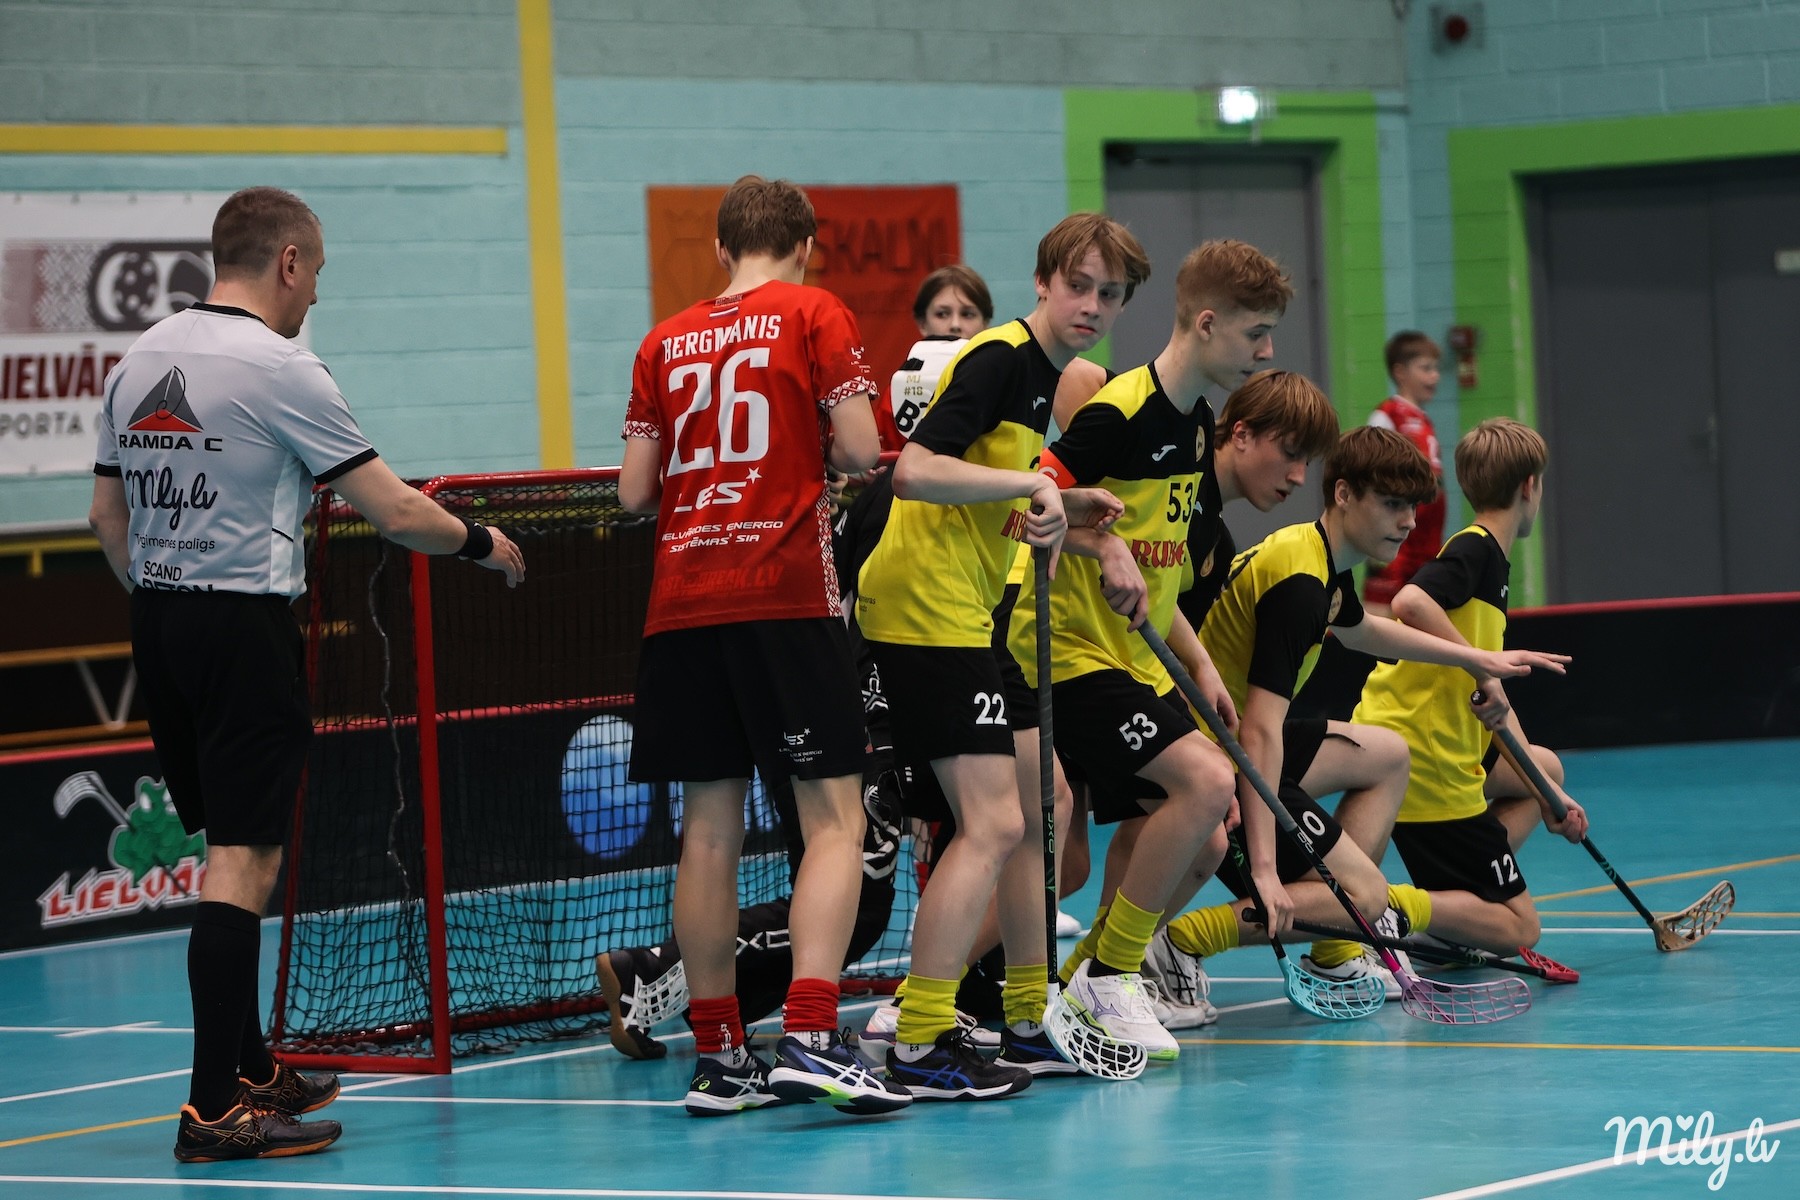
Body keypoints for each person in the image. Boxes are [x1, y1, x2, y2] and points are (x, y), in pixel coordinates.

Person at [87, 186, 525, 1162]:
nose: (316, 293)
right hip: (242, 629)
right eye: (317, 272)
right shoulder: (282, 367)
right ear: (287, 262)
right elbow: (395, 510)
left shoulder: (137, 358)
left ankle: (249, 1067)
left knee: (231, 851)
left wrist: (168, 603)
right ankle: (213, 1110)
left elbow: (106, 522)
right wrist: (481, 543)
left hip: (158, 621)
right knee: (243, 862)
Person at [618, 176, 910, 1119]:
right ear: (807, 245)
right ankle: (813, 1037)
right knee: (834, 823)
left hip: (681, 605)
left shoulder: (663, 339)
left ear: (720, 249)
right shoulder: (815, 312)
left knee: (708, 833)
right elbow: (861, 449)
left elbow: (633, 492)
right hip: (783, 595)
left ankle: (719, 1059)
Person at [856, 212, 1143, 1098]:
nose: (1092, 305)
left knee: (1039, 805)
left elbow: (980, 497)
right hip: (926, 611)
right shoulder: (999, 359)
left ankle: (1025, 1019)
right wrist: (1031, 482)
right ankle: (918, 1038)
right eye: (1079, 285)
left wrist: (1066, 505)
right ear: (1044, 283)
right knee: (993, 825)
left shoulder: (1043, 376)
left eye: (1110, 294)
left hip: (969, 610)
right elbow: (915, 471)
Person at [1144, 428, 1568, 996]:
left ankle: (1337, 951)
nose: (1409, 522)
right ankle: (1183, 941)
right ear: (1343, 494)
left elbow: (1367, 631)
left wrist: (1476, 659)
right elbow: (1262, 733)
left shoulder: (1318, 558)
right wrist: (1264, 869)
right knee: (1365, 894)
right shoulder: (1300, 586)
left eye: (1413, 508)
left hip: (1227, 735)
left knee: (1389, 754)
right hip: (1217, 750)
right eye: (1392, 505)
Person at [1005, 240, 1299, 1059]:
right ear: (1207, 324)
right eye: (1256, 333)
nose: (1266, 352)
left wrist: (1199, 665)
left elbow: (1158, 571)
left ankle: (1088, 981)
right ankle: (1107, 976)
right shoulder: (1118, 414)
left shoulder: (1197, 426)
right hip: (1063, 647)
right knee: (1202, 784)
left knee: (1208, 831)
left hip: (1135, 657)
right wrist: (1100, 544)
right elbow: (1020, 510)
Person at [1065, 366, 1340, 1028]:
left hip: (1138, 677)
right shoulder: (1167, 467)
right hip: (1070, 660)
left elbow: (1161, 607)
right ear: (1240, 435)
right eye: (1290, 453)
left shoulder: (1212, 532)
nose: (1298, 476)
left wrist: (1201, 669)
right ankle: (1081, 978)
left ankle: (1099, 972)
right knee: (1068, 858)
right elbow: (1078, 379)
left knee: (1202, 834)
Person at [1349, 418, 1589, 954]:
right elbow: (1409, 602)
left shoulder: (1488, 561)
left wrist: (1553, 801)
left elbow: (1496, 707)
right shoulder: (1476, 548)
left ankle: (1455, 915)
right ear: (1530, 486)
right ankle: (1388, 907)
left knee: (1545, 770)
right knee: (1520, 929)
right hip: (1429, 753)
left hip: (1436, 740)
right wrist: (1482, 666)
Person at [1361, 331, 1445, 616]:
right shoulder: (1387, 416)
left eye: (1436, 369)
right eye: (1426, 368)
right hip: (1398, 544)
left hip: (1427, 544)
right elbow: (1371, 476)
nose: (1434, 376)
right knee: (1382, 614)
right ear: (1400, 372)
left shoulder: (1425, 421)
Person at [879, 264, 996, 451]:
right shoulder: (897, 390)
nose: (955, 325)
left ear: (985, 323)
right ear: (922, 323)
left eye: (967, 314)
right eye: (942, 314)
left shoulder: (1006, 383)